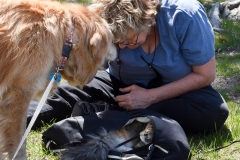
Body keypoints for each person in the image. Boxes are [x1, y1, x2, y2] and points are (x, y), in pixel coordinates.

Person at [28, 0, 229, 134]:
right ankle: (11, 117)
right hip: (121, 85)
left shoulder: (185, 15)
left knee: (214, 110)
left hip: (175, 91)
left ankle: (109, 113)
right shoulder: (106, 27)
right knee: (67, 93)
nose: (122, 46)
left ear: (148, 22)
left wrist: (150, 97)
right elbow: (87, 77)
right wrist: (84, 54)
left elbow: (205, 75)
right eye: (117, 41)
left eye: (130, 40)